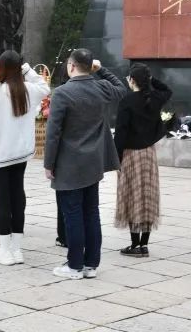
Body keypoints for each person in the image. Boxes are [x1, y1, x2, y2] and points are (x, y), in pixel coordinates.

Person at [44, 49, 129, 279]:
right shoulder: (101, 87)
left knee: (72, 214)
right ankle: (91, 264)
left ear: (71, 66)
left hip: (69, 163)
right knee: (91, 212)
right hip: (93, 162)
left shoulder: (63, 93)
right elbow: (121, 88)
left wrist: (48, 163)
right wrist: (101, 70)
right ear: (90, 66)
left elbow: (53, 133)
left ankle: (74, 265)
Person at [0, 51, 50, 265]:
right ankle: (16, 249)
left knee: (4, 202)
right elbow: (45, 87)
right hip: (20, 154)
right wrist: (27, 70)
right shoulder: (27, 89)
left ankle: (4, 249)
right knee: (18, 198)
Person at [114, 64, 173, 257]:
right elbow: (167, 90)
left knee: (132, 196)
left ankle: (134, 245)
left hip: (130, 155)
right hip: (148, 154)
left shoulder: (127, 101)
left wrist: (116, 158)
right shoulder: (155, 98)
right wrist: (150, 79)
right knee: (147, 196)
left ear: (132, 80)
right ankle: (144, 245)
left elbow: (121, 133)